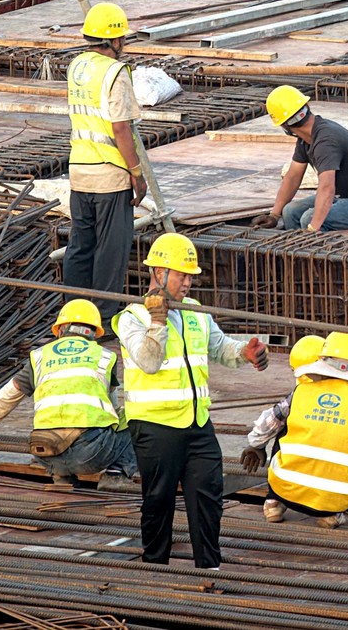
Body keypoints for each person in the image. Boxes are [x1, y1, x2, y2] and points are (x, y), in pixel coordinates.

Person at [115, 233, 269, 569]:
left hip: (197, 423)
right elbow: (150, 362)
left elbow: (219, 348)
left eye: (190, 276)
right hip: (155, 426)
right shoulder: (132, 317)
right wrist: (157, 320)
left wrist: (245, 352)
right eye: (182, 275)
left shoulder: (196, 312)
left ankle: (209, 569)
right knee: (158, 501)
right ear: (158, 272)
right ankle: (155, 567)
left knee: (208, 496)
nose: (188, 282)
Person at [242, 331, 348, 529]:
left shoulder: (303, 391)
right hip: (336, 499)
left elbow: (269, 420)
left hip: (285, 489)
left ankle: (273, 502)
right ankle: (332, 514)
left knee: (286, 429)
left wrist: (255, 445)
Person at [0, 299, 139, 486]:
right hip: (91, 454)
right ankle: (116, 475)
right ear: (95, 333)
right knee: (138, 416)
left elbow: (9, 394)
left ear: (60, 330)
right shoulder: (105, 356)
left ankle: (62, 476)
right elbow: (111, 406)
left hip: (45, 452)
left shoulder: (40, 356)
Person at [64, 1, 147, 311]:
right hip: (110, 175)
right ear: (115, 40)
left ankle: (74, 314)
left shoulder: (77, 67)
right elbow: (121, 129)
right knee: (110, 251)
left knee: (80, 247)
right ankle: (103, 317)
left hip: (79, 171)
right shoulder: (116, 72)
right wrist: (136, 174)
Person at [256, 86, 348, 232]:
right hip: (345, 198)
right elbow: (292, 177)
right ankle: (296, 253)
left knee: (309, 218)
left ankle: (310, 251)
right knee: (290, 211)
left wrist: (313, 229)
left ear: (285, 126)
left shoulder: (326, 141)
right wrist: (275, 215)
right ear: (306, 107)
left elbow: (327, 188)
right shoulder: (306, 139)